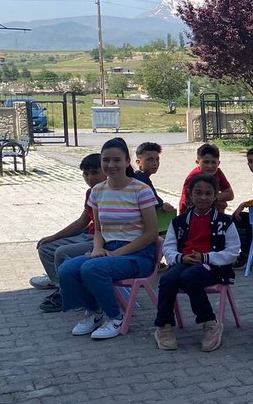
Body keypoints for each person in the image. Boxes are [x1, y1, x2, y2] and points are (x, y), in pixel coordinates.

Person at [58, 137, 160, 340]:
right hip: (108, 251)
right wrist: (97, 248)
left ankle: (115, 317)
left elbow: (151, 234)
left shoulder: (141, 190)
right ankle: (95, 312)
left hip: (139, 255)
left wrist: (115, 253)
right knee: (67, 269)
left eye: (116, 160)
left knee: (92, 268)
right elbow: (98, 230)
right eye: (106, 160)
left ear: (127, 161)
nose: (111, 165)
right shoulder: (97, 191)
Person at [154, 174, 240, 353]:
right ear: (189, 195)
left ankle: (210, 323)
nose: (203, 197)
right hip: (184, 262)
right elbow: (168, 247)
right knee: (168, 279)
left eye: (208, 193)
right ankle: (164, 325)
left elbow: (233, 251)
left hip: (213, 266)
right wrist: (180, 258)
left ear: (215, 195)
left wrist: (206, 257)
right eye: (198, 193)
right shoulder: (178, 222)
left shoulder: (225, 222)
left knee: (190, 276)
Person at [30, 153, 106, 312]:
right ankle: (61, 285)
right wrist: (54, 236)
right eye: (86, 174)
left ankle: (67, 294)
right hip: (88, 235)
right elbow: (82, 221)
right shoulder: (90, 193)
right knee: (46, 247)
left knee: (61, 252)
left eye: (94, 173)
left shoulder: (111, 192)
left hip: (102, 240)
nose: (90, 178)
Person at [178, 143, 234, 213]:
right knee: (221, 203)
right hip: (189, 215)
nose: (210, 166)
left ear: (218, 163)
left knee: (221, 203)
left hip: (210, 213)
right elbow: (188, 202)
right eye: (206, 162)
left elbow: (230, 194)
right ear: (197, 162)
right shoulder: (193, 177)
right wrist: (214, 200)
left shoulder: (218, 172)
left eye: (213, 162)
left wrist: (215, 199)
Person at [132, 141, 174, 213]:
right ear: (138, 162)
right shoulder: (141, 180)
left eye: (157, 159)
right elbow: (155, 203)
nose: (155, 163)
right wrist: (163, 205)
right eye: (149, 159)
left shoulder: (139, 177)